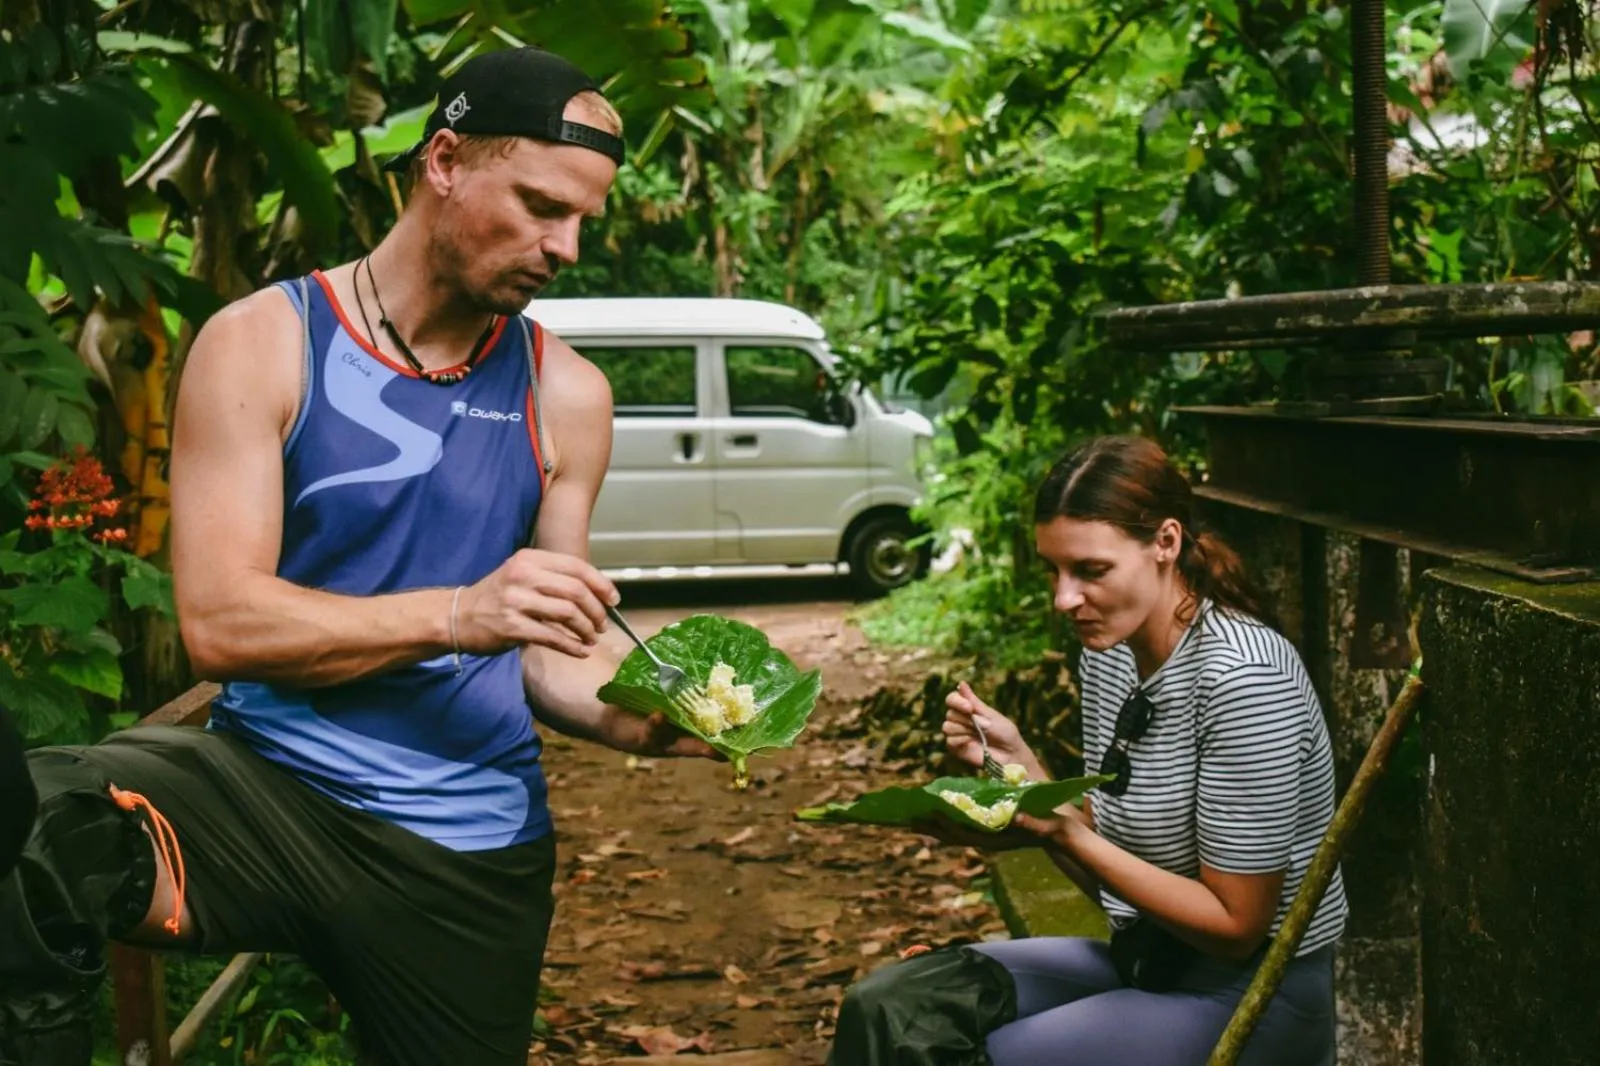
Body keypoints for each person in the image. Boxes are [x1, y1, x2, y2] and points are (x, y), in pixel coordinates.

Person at [0, 47, 717, 1066]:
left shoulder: (568, 396)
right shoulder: (263, 343)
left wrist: (642, 717)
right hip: (264, 793)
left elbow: (554, 647)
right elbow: (220, 621)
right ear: (443, 161)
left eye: (581, 222)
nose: (565, 247)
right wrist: (462, 611)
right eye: (539, 205)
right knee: (34, 823)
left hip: (467, 843)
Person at [830, 435, 1346, 1065]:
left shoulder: (1244, 678)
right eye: (1055, 569)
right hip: (1146, 959)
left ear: (1166, 543)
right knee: (889, 1006)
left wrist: (1058, 833)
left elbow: (1236, 928)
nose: (1063, 599)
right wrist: (1015, 771)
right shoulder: (1110, 654)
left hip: (1254, 994)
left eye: (1090, 571)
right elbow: (1115, 860)